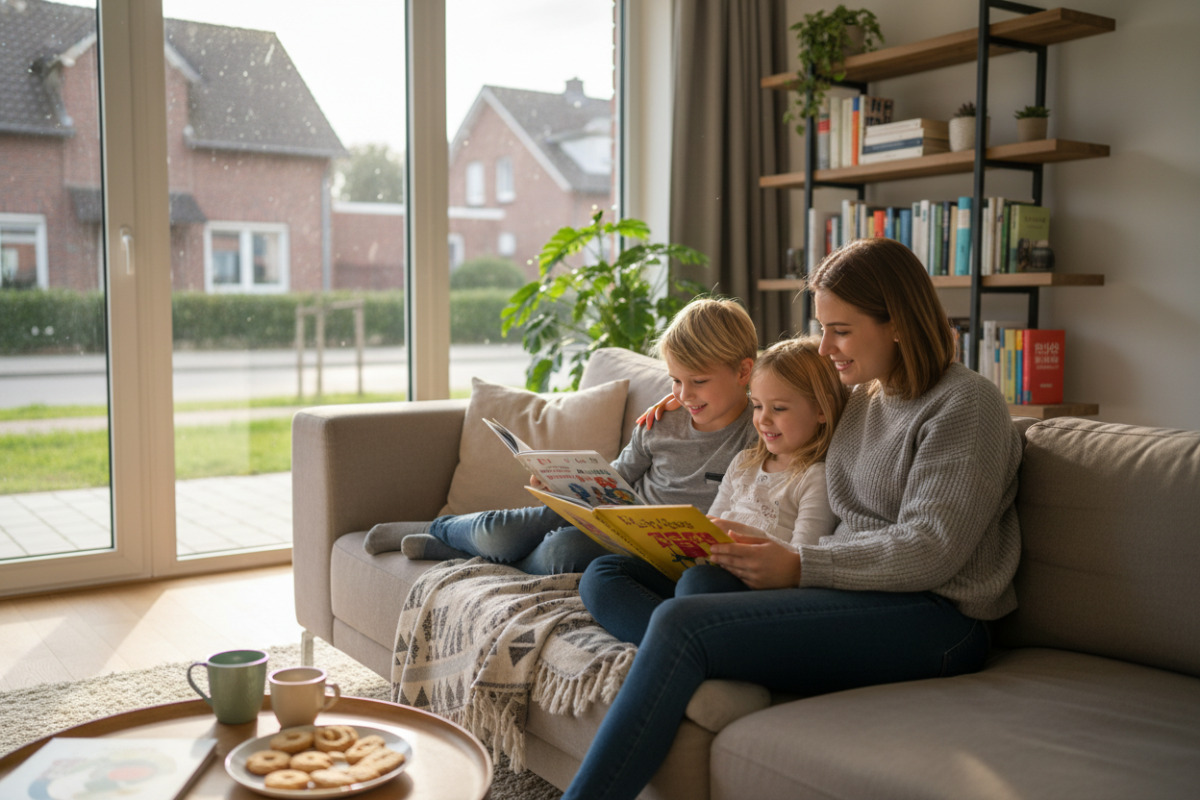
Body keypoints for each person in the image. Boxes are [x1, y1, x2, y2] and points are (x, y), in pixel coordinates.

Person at [559, 237, 1023, 800]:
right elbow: (775, 392)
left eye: (840, 330)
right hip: (849, 592)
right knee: (610, 572)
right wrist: (679, 405)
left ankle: (681, 666)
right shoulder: (860, 395)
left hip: (937, 617)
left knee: (684, 622)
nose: (825, 347)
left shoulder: (966, 404)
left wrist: (800, 565)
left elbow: (932, 547)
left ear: (898, 323)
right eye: (822, 328)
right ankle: (700, 660)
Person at [389, 297, 761, 574]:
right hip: (614, 521)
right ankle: (438, 527)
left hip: (659, 554)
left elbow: (786, 376)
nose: (684, 394)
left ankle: (459, 551)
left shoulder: (759, 433)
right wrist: (565, 487)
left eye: (699, 381)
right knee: (505, 532)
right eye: (676, 380)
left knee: (562, 554)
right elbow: (618, 476)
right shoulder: (662, 422)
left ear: (744, 372)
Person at [579, 335, 849, 645]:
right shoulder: (744, 463)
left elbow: (804, 560)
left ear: (821, 410)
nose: (763, 419)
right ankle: (674, 642)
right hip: (705, 573)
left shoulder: (815, 477)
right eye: (758, 406)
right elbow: (710, 525)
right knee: (603, 572)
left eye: (779, 408)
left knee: (698, 582)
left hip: (753, 590)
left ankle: (678, 640)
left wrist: (740, 535)